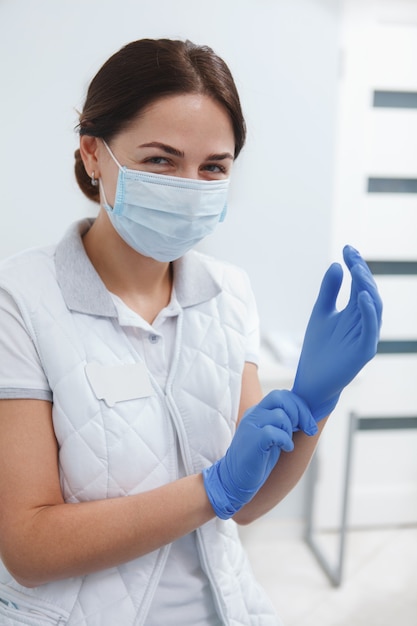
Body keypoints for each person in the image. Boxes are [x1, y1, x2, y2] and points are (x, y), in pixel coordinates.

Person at [0, 38, 382, 626]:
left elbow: (249, 505)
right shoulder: (21, 300)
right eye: (160, 159)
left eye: (213, 167)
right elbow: (28, 547)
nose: (188, 184)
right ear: (93, 154)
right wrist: (211, 489)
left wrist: (315, 403)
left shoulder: (228, 294)